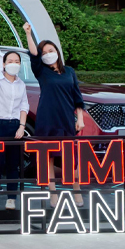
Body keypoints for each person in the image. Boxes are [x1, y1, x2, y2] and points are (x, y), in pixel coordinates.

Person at [22, 23, 85, 206]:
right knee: (47, 156)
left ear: (57, 51)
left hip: (66, 119)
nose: (48, 54)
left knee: (71, 157)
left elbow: (77, 96)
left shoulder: (69, 72)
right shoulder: (41, 71)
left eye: (51, 50)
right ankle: (53, 193)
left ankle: (76, 190)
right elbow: (33, 55)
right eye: (44, 52)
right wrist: (28, 34)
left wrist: (80, 118)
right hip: (47, 118)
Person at [0, 49, 29, 210]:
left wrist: (21, 126)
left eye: (17, 61)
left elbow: (24, 106)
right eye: (10, 61)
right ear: (4, 64)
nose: (14, 64)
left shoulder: (21, 84)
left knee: (13, 163)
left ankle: (11, 198)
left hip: (14, 125)